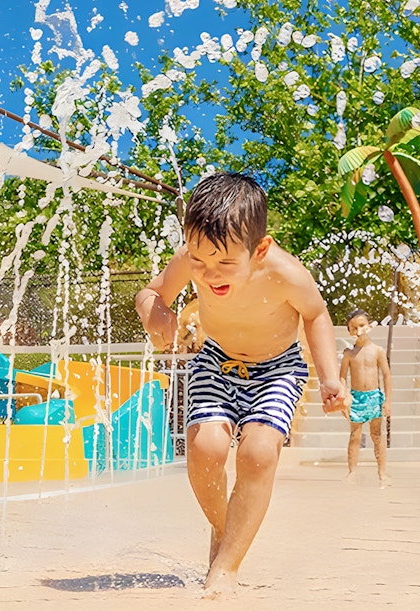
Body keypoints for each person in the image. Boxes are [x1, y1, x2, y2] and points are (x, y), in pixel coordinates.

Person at [135, 172, 345, 598]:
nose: (210, 274)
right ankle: (225, 529)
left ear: (260, 248)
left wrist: (330, 377)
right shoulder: (192, 258)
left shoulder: (286, 273)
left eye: (226, 263)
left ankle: (225, 566)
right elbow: (152, 292)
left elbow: (316, 315)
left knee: (259, 452)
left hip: (278, 368)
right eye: (200, 261)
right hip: (216, 361)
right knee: (205, 449)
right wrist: (155, 315)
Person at [339, 308, 392, 487]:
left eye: (361, 325)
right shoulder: (349, 354)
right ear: (349, 331)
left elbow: (386, 375)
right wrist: (344, 397)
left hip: (374, 397)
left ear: (369, 326)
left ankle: (382, 472)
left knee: (377, 435)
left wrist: (388, 401)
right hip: (356, 398)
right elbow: (342, 377)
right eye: (353, 328)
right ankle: (352, 472)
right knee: (355, 435)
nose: (358, 330)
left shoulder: (377, 351)